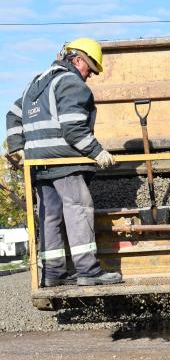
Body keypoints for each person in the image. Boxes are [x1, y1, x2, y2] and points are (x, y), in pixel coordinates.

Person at [6, 37, 123, 288]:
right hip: (65, 162)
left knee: (50, 216)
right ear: (77, 59)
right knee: (78, 208)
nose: (89, 75)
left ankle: (53, 272)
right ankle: (88, 270)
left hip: (38, 165)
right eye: (90, 68)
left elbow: (13, 114)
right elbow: (73, 130)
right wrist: (98, 153)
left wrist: (17, 148)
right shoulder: (70, 83)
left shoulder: (35, 84)